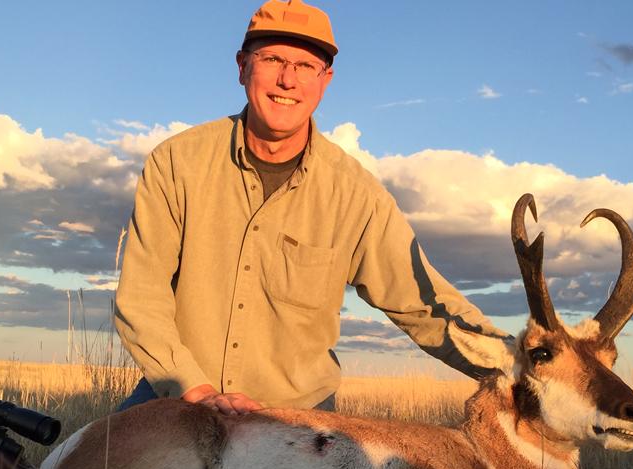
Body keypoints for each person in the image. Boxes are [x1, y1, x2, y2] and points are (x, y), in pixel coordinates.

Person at [115, 0, 512, 416]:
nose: (288, 80)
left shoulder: (356, 195)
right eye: (272, 59)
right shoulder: (178, 162)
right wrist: (194, 390)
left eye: (306, 66)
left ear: (326, 80)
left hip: (297, 414)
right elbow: (142, 297)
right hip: (182, 394)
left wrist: (522, 363)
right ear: (242, 67)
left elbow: (424, 305)